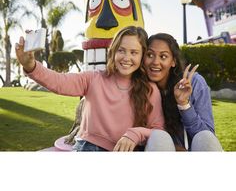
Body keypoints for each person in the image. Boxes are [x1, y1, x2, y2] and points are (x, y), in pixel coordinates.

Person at [15, 26, 164, 152]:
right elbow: (59, 82)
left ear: (143, 56)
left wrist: (136, 133)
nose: (126, 57)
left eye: (134, 52)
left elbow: (159, 132)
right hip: (88, 147)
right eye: (121, 50)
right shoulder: (93, 78)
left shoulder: (150, 90)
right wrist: (31, 66)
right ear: (113, 52)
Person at [144, 33, 223, 151]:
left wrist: (184, 104)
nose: (155, 62)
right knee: (158, 137)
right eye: (150, 55)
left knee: (205, 137)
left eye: (163, 56)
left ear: (173, 62)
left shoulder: (194, 82)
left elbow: (206, 138)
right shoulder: (141, 88)